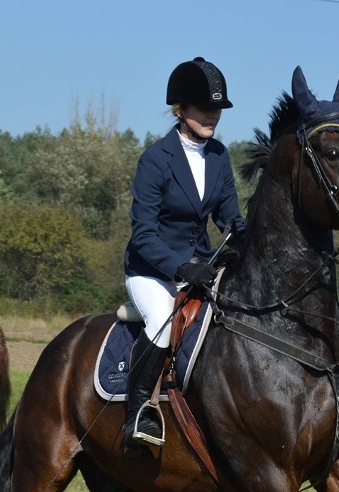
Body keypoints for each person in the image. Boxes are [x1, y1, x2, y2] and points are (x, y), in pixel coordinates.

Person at [122, 57, 246, 447]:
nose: (213, 115)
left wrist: (247, 241)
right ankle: (137, 412)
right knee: (161, 320)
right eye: (204, 108)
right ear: (180, 109)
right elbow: (143, 234)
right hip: (151, 271)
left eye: (217, 109)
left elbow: (230, 219)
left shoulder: (219, 156)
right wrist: (179, 267)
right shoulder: (156, 160)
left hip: (200, 268)